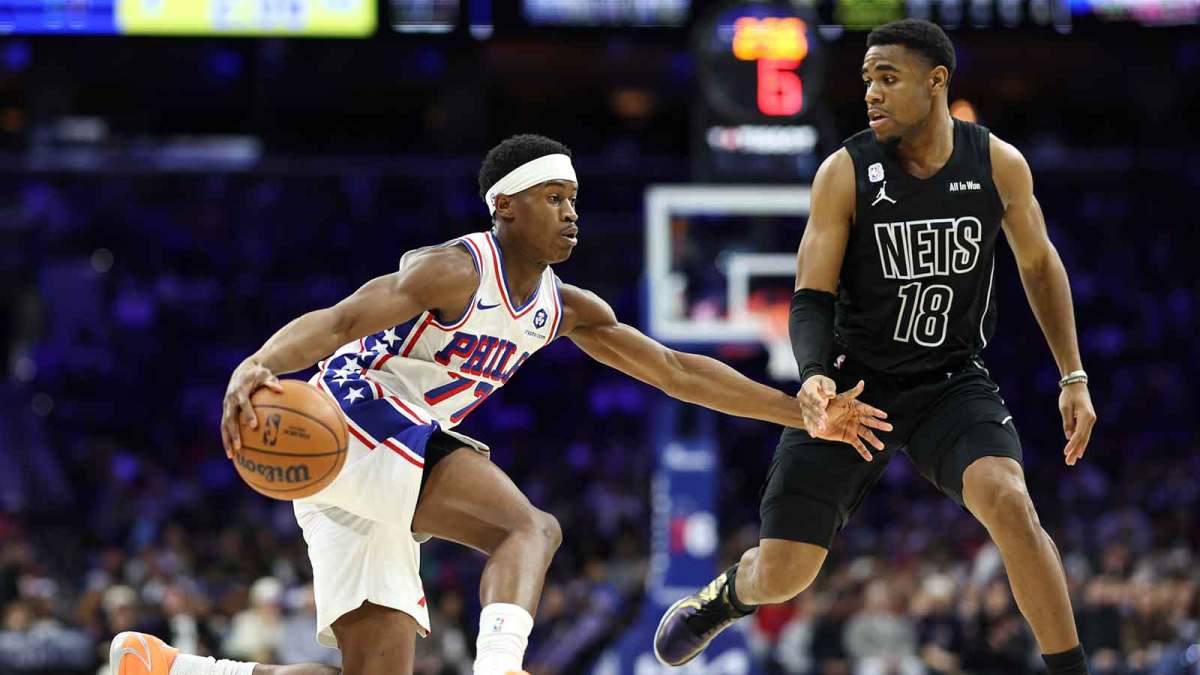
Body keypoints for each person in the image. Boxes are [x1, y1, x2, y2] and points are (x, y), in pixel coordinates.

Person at [110, 134, 891, 675]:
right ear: (507, 206)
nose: (572, 211)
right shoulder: (456, 269)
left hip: (369, 468)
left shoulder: (563, 306)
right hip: (355, 416)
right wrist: (260, 361)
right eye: (555, 196)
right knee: (530, 527)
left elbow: (675, 369)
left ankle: (175, 664)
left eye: (576, 198)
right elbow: (346, 318)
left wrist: (801, 411)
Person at [654, 19, 1097, 675]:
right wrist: (811, 377)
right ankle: (727, 595)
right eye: (866, 80)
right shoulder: (846, 171)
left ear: (936, 81)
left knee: (1010, 499)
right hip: (852, 384)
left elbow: (1039, 266)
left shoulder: (997, 164)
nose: (871, 93)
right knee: (784, 573)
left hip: (950, 381)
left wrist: (1073, 375)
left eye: (887, 77)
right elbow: (811, 296)